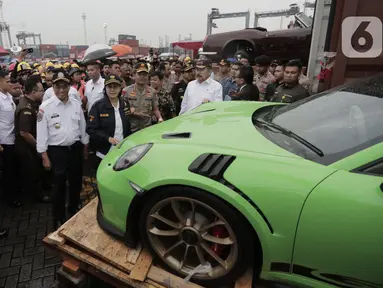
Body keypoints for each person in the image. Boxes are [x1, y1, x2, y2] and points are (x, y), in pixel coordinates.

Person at [36, 70, 89, 229]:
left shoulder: (76, 104)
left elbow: (82, 127)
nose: (61, 90)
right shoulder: (45, 107)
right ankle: (58, 217)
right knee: (58, 186)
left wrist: (85, 146)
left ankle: (73, 208)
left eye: (64, 86)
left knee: (76, 182)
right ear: (53, 87)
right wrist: (44, 155)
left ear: (68, 87)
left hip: (74, 149)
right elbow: (41, 134)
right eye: (57, 87)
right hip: (56, 151)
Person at [14, 76, 50, 203]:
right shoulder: (26, 108)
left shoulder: (32, 104)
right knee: (32, 170)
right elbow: (24, 132)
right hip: (26, 147)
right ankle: (37, 196)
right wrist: (38, 146)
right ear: (33, 92)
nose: (43, 92)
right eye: (41, 90)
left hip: (30, 144)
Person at [87, 75, 131, 162]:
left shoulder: (125, 104)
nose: (112, 90)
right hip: (104, 152)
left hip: (123, 150)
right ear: (105, 88)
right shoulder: (98, 106)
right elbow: (90, 129)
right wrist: (108, 138)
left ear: (120, 88)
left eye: (115, 87)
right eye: (109, 87)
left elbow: (127, 125)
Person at [0, 70, 21, 208]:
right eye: (7, 81)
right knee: (7, 172)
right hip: (4, 141)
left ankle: (15, 193)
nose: (10, 83)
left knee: (13, 169)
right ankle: (10, 198)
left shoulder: (7, 96)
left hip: (13, 138)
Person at [123, 62, 163, 133]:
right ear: (134, 75)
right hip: (131, 128)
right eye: (139, 74)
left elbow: (155, 109)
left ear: (148, 76)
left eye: (144, 75)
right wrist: (135, 113)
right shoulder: (126, 91)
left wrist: (160, 118)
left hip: (147, 128)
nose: (142, 77)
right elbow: (122, 109)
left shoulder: (152, 91)